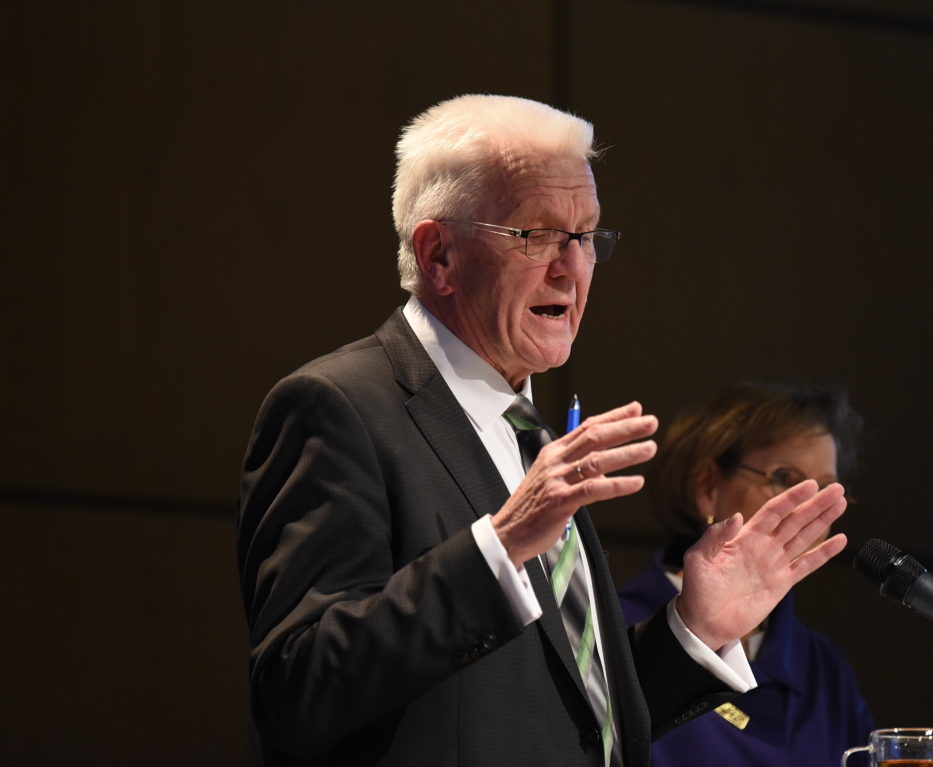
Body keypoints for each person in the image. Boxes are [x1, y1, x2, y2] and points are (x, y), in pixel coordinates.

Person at [236, 95, 849, 767]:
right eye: (534, 235)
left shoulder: (533, 435)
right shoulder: (338, 407)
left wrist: (695, 629)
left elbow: (572, 720)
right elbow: (296, 688)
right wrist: (498, 547)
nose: (571, 267)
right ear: (437, 254)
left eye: (584, 236)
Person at [618, 383, 874, 767]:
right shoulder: (611, 628)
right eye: (787, 478)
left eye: (824, 490)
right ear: (708, 487)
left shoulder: (824, 668)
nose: (811, 507)